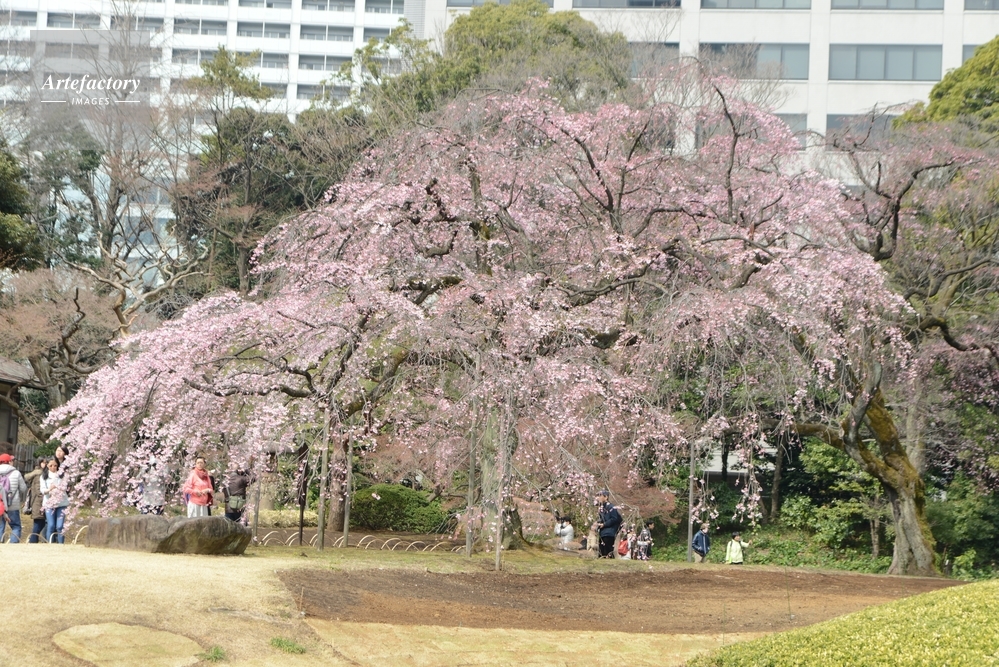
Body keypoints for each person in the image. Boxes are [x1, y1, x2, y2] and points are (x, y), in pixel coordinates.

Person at [40, 458, 69, 544]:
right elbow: (42, 490)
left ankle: (60, 544)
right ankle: (50, 544)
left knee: (60, 526)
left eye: (55, 465)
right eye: (51, 466)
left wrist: (58, 488)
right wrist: (49, 489)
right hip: (49, 503)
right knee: (51, 525)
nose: (53, 467)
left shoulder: (62, 475)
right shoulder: (44, 476)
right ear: (47, 466)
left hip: (61, 503)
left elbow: (65, 487)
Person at [0, 452, 28, 543]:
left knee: (0, 526)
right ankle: (14, 544)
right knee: (16, 526)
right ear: (9, 462)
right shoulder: (16, 473)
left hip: (0, 505)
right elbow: (23, 489)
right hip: (12, 504)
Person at [24, 457, 47, 543]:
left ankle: (34, 540)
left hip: (37, 502)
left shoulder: (38, 473)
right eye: (43, 462)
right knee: (39, 523)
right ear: (39, 463)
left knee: (39, 523)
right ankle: (32, 541)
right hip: (39, 502)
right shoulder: (39, 474)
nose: (45, 464)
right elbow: (39, 490)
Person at [595, 490, 622, 558]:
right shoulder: (602, 508)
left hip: (609, 532)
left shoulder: (611, 507)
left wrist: (604, 524)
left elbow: (614, 519)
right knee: (601, 552)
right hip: (603, 532)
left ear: (606, 497)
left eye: (600, 496)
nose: (598, 498)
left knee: (607, 551)